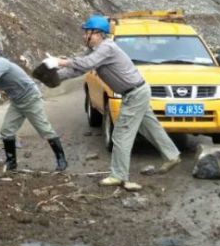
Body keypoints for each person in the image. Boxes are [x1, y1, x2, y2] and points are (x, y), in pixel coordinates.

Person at [53, 15, 180, 191]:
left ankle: (119, 176)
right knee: (150, 126)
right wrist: (54, 78)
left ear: (96, 33)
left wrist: (60, 61)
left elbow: (86, 63)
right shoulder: (95, 50)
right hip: (137, 92)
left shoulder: (107, 47)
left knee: (121, 135)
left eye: (86, 32)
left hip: (134, 94)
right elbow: (78, 68)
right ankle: (172, 155)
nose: (83, 36)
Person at [0, 42, 67, 172]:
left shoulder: (1, 64)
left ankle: (61, 159)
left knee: (45, 130)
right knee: (7, 131)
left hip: (31, 98)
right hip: (17, 102)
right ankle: (11, 163)